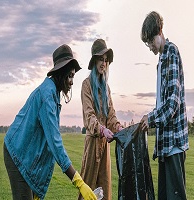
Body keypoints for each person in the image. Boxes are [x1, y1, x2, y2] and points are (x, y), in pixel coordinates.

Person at [3, 44, 96, 200]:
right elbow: (55, 143)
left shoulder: (53, 93)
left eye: (73, 76)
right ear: (60, 73)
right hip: (17, 153)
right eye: (70, 76)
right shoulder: (47, 96)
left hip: (26, 154)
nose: (72, 81)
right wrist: (79, 182)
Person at [140, 11, 189, 200]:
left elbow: (172, 103)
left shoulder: (171, 52)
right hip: (164, 144)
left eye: (151, 40)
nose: (150, 46)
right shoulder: (161, 60)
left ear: (159, 31)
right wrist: (149, 116)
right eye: (147, 43)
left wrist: (150, 119)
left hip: (174, 143)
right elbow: (162, 102)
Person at [78, 39, 123, 200]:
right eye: (100, 59)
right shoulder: (86, 85)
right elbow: (89, 116)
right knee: (87, 189)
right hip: (92, 145)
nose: (103, 63)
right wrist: (102, 129)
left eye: (106, 60)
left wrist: (117, 127)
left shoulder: (106, 88)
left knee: (105, 190)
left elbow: (111, 114)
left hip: (105, 147)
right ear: (94, 61)